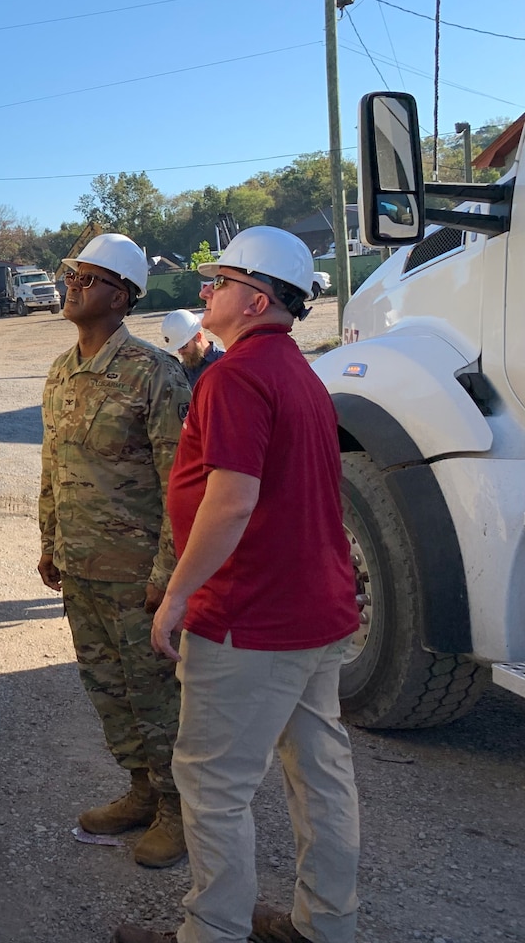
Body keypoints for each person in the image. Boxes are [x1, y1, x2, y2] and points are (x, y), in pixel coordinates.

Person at [114, 227, 361, 943]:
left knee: (212, 787)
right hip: (315, 615)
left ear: (254, 299)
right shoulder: (300, 374)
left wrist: (181, 594)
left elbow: (232, 499)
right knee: (321, 778)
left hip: (252, 620)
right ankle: (325, 927)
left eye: (217, 283)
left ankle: (212, 933)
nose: (205, 293)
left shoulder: (235, 376)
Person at [37, 232, 193, 869]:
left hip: (139, 580)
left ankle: (181, 811)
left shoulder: (154, 373)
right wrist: (49, 542)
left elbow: (182, 481)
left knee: (157, 696)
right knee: (109, 690)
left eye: (90, 278)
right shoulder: (61, 371)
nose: (73, 284)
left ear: (122, 297)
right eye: (72, 273)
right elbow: (53, 465)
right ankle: (140, 791)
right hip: (82, 570)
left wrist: (168, 574)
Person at [159, 309, 224, 387]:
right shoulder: (181, 371)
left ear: (198, 337)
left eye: (183, 346)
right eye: (178, 347)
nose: (180, 352)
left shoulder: (226, 363)